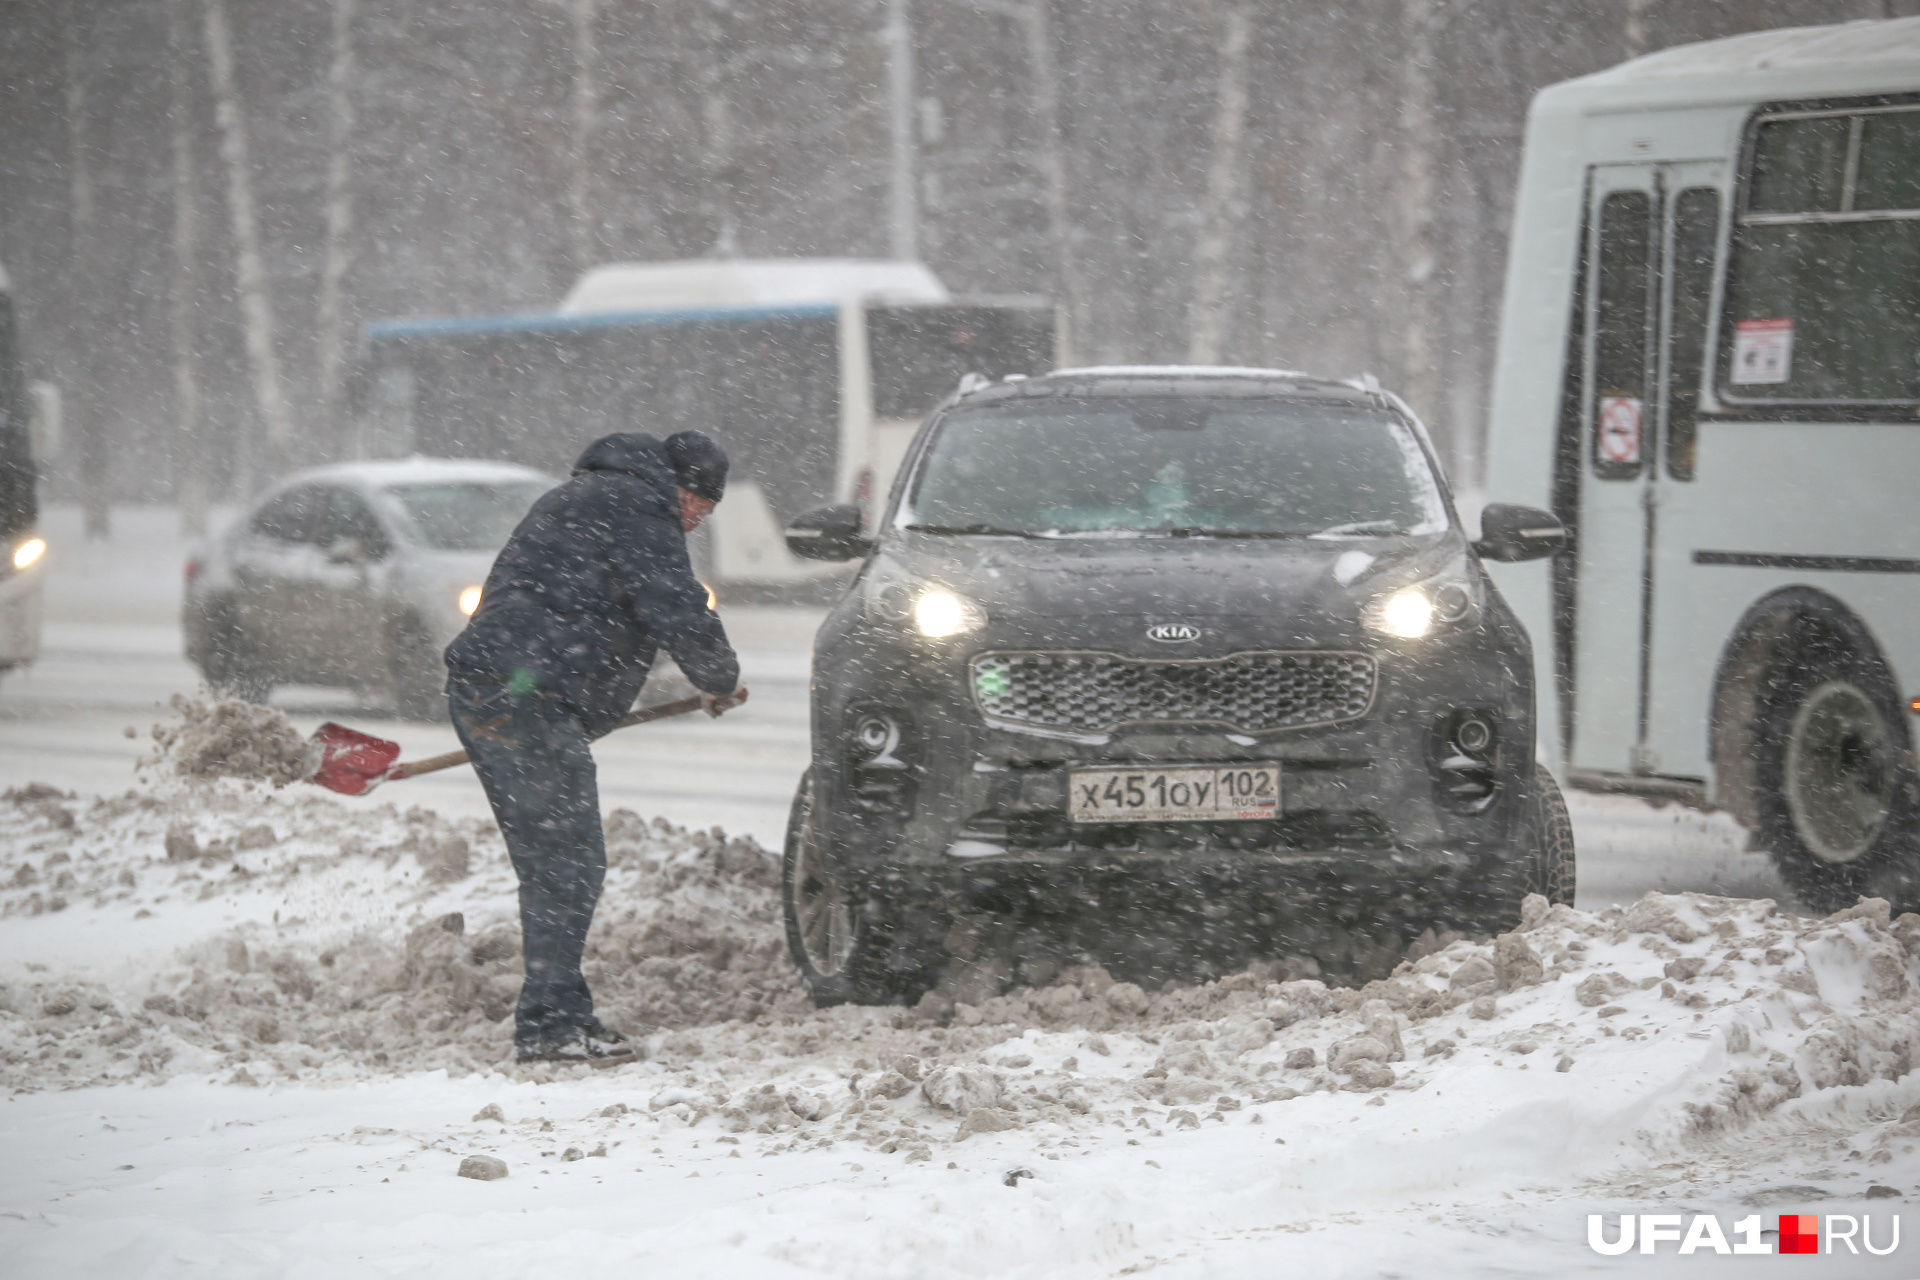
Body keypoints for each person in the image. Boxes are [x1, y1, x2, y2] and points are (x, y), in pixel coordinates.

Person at [444, 430, 746, 1064]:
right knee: (566, 864)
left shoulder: (590, 495)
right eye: (700, 507)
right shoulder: (638, 506)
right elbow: (673, 604)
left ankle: (562, 1011)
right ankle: (549, 1027)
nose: (694, 521)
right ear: (682, 488)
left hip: (504, 691)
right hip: (522, 698)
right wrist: (717, 675)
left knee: (559, 863)